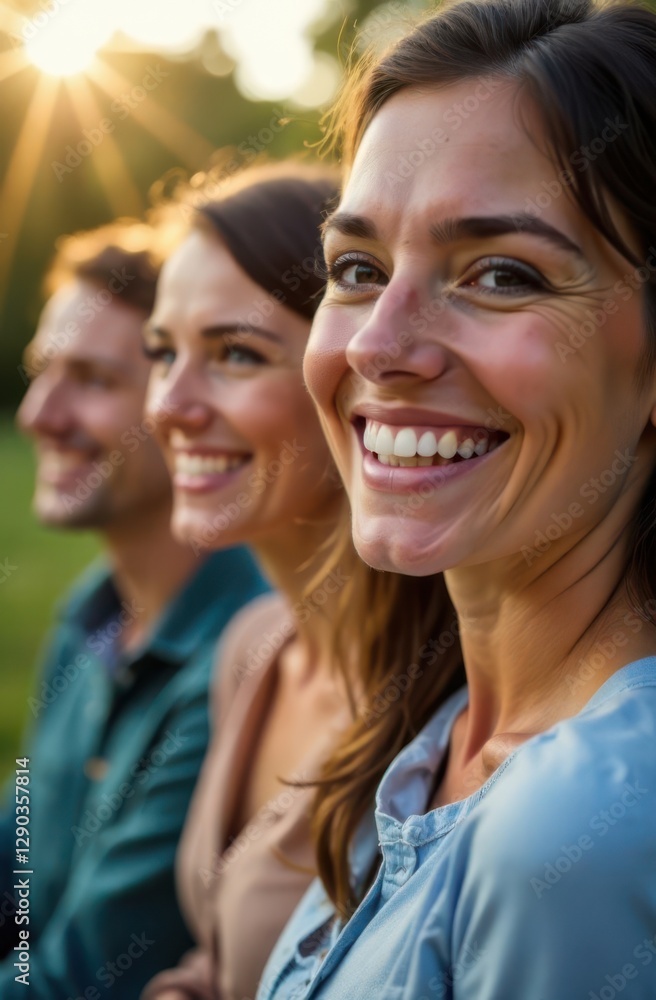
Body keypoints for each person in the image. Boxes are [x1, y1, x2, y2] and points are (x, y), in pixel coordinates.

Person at [257, 1, 656, 998]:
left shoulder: (576, 833)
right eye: (356, 268)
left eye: (500, 274)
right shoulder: (430, 731)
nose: (375, 345)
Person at [139, 159, 462, 1000]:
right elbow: (227, 958)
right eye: (160, 352)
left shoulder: (452, 718)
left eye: (235, 354)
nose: (170, 404)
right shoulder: (252, 649)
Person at [0, 221, 267, 999]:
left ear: (180, 397)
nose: (38, 415)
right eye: (39, 371)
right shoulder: (90, 615)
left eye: (90, 378)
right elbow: (16, 870)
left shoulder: (238, 659)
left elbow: (81, 982)